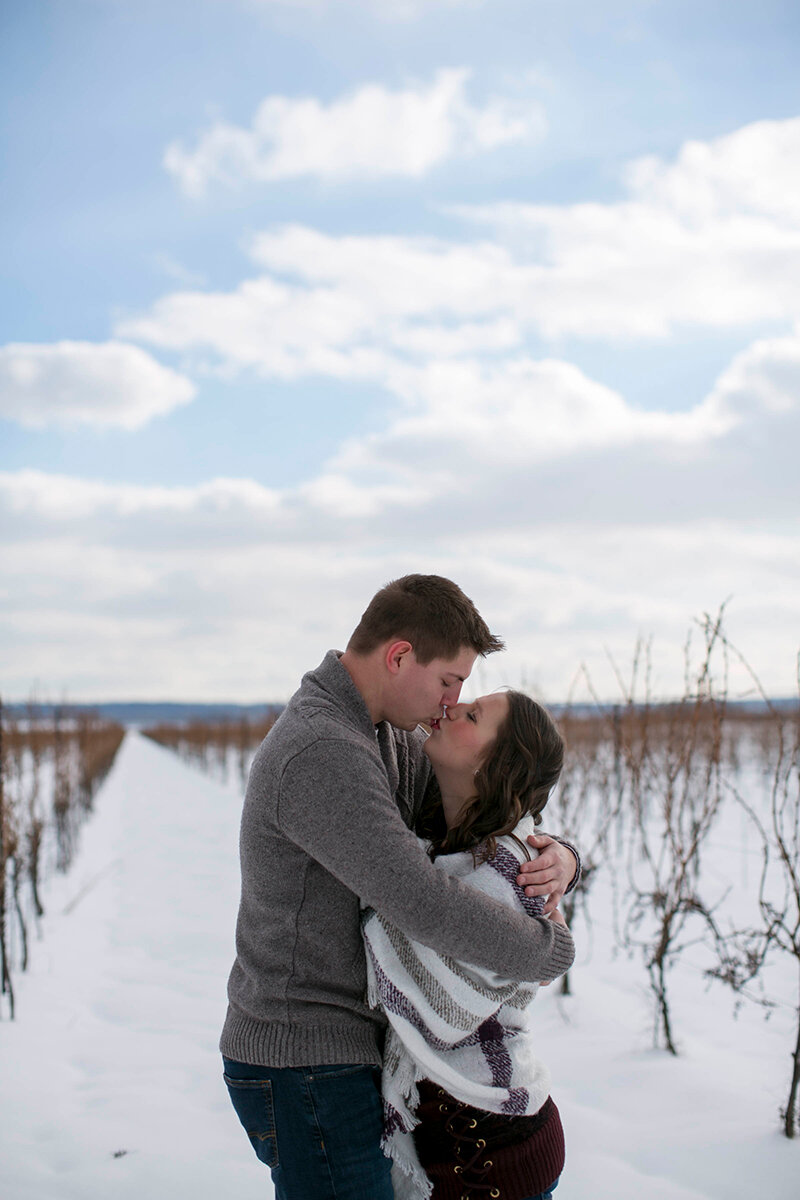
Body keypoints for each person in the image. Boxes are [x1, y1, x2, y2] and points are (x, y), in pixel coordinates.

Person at [220, 575, 579, 1200]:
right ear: (398, 656)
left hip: (341, 1051)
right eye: (450, 682)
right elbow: (421, 900)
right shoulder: (321, 749)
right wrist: (549, 951)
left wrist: (564, 856)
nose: (452, 701)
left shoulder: (386, 734)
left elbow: (475, 818)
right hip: (304, 1056)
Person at [362, 690, 571, 1200]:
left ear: (495, 765)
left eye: (472, 716)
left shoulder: (510, 869)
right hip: (470, 1141)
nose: (451, 708)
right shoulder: (446, 840)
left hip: (496, 1159)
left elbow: (441, 1006)